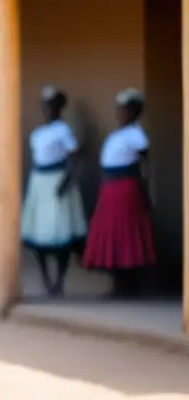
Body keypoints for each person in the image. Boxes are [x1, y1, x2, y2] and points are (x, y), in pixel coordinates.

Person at [82, 88, 154, 297]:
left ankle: (128, 286)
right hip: (110, 187)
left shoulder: (136, 135)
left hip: (125, 187)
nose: (121, 114)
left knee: (125, 235)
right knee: (111, 235)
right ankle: (117, 284)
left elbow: (144, 164)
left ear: (135, 112)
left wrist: (146, 190)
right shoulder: (117, 134)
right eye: (120, 110)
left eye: (126, 110)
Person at [20, 86, 87, 297]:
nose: (49, 109)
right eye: (46, 105)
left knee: (61, 231)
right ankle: (46, 280)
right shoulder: (38, 133)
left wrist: (67, 181)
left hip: (58, 181)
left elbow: (75, 157)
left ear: (60, 108)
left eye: (53, 105)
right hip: (39, 181)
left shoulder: (63, 131)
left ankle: (59, 280)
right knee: (39, 232)